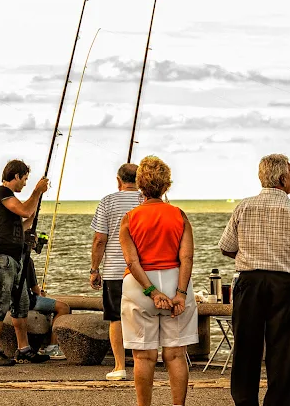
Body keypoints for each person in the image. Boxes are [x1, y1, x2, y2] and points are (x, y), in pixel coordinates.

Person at [218, 154, 290, 406]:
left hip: (249, 282)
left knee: (246, 346)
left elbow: (226, 247)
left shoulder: (243, 206)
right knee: (284, 349)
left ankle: (245, 402)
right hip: (284, 283)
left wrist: (250, 257)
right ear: (281, 178)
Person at [119, 156, 198, 406]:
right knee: (175, 354)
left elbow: (132, 262)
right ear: (167, 186)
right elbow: (186, 257)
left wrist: (152, 292)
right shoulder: (178, 215)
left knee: (143, 357)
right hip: (176, 280)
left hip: (140, 287)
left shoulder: (130, 218)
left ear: (141, 186)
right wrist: (181, 294)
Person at [0, 159, 50, 366]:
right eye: (24, 179)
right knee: (0, 304)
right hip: (1, 257)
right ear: (16, 176)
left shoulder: (11, 200)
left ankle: (24, 349)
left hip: (16, 258)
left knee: (21, 305)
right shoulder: (1, 192)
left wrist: (30, 229)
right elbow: (24, 211)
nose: (25, 184)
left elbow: (24, 220)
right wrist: (37, 192)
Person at [89, 163, 142, 380]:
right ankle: (143, 362)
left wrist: (94, 269)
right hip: (142, 271)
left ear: (118, 180)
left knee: (116, 319)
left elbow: (100, 239)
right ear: (140, 179)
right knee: (143, 316)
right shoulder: (145, 200)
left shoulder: (107, 201)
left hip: (114, 271)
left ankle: (119, 366)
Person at [24, 256, 70, 359]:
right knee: (63, 308)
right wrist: (40, 295)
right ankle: (52, 347)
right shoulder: (27, 259)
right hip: (27, 301)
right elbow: (34, 287)